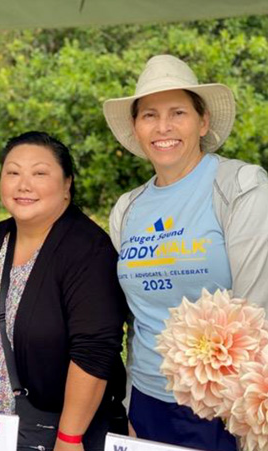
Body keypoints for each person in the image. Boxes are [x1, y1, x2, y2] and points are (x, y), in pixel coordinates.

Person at [104, 54, 268, 450]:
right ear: (137, 128)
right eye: (149, 116)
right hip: (145, 401)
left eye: (178, 112)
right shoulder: (127, 208)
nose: (163, 127)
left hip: (226, 408)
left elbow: (258, 307)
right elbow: (129, 317)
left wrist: (245, 415)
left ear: (203, 121)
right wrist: (125, 406)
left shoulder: (241, 186)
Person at [0, 131, 127, 451]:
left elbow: (95, 350)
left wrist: (69, 438)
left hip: (58, 434)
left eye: (40, 173)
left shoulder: (87, 250)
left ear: (67, 182)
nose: (23, 184)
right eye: (12, 172)